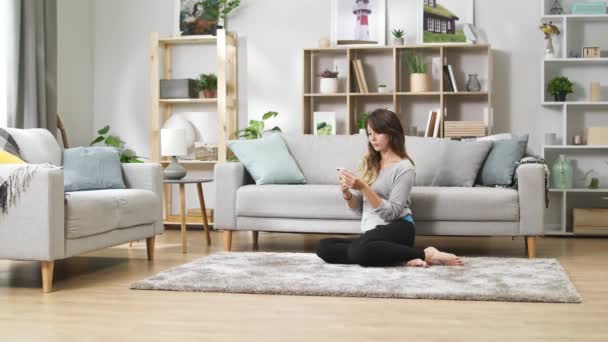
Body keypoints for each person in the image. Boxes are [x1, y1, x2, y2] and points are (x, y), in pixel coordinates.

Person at [316, 109, 464, 268]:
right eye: (369, 133)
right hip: (373, 234)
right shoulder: (370, 162)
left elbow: (392, 212)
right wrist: (346, 193)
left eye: (377, 132)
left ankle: (426, 254)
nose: (372, 138)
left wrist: (364, 188)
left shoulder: (405, 168)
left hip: (398, 227)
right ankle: (399, 257)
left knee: (360, 251)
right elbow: (359, 208)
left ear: (392, 133)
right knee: (324, 247)